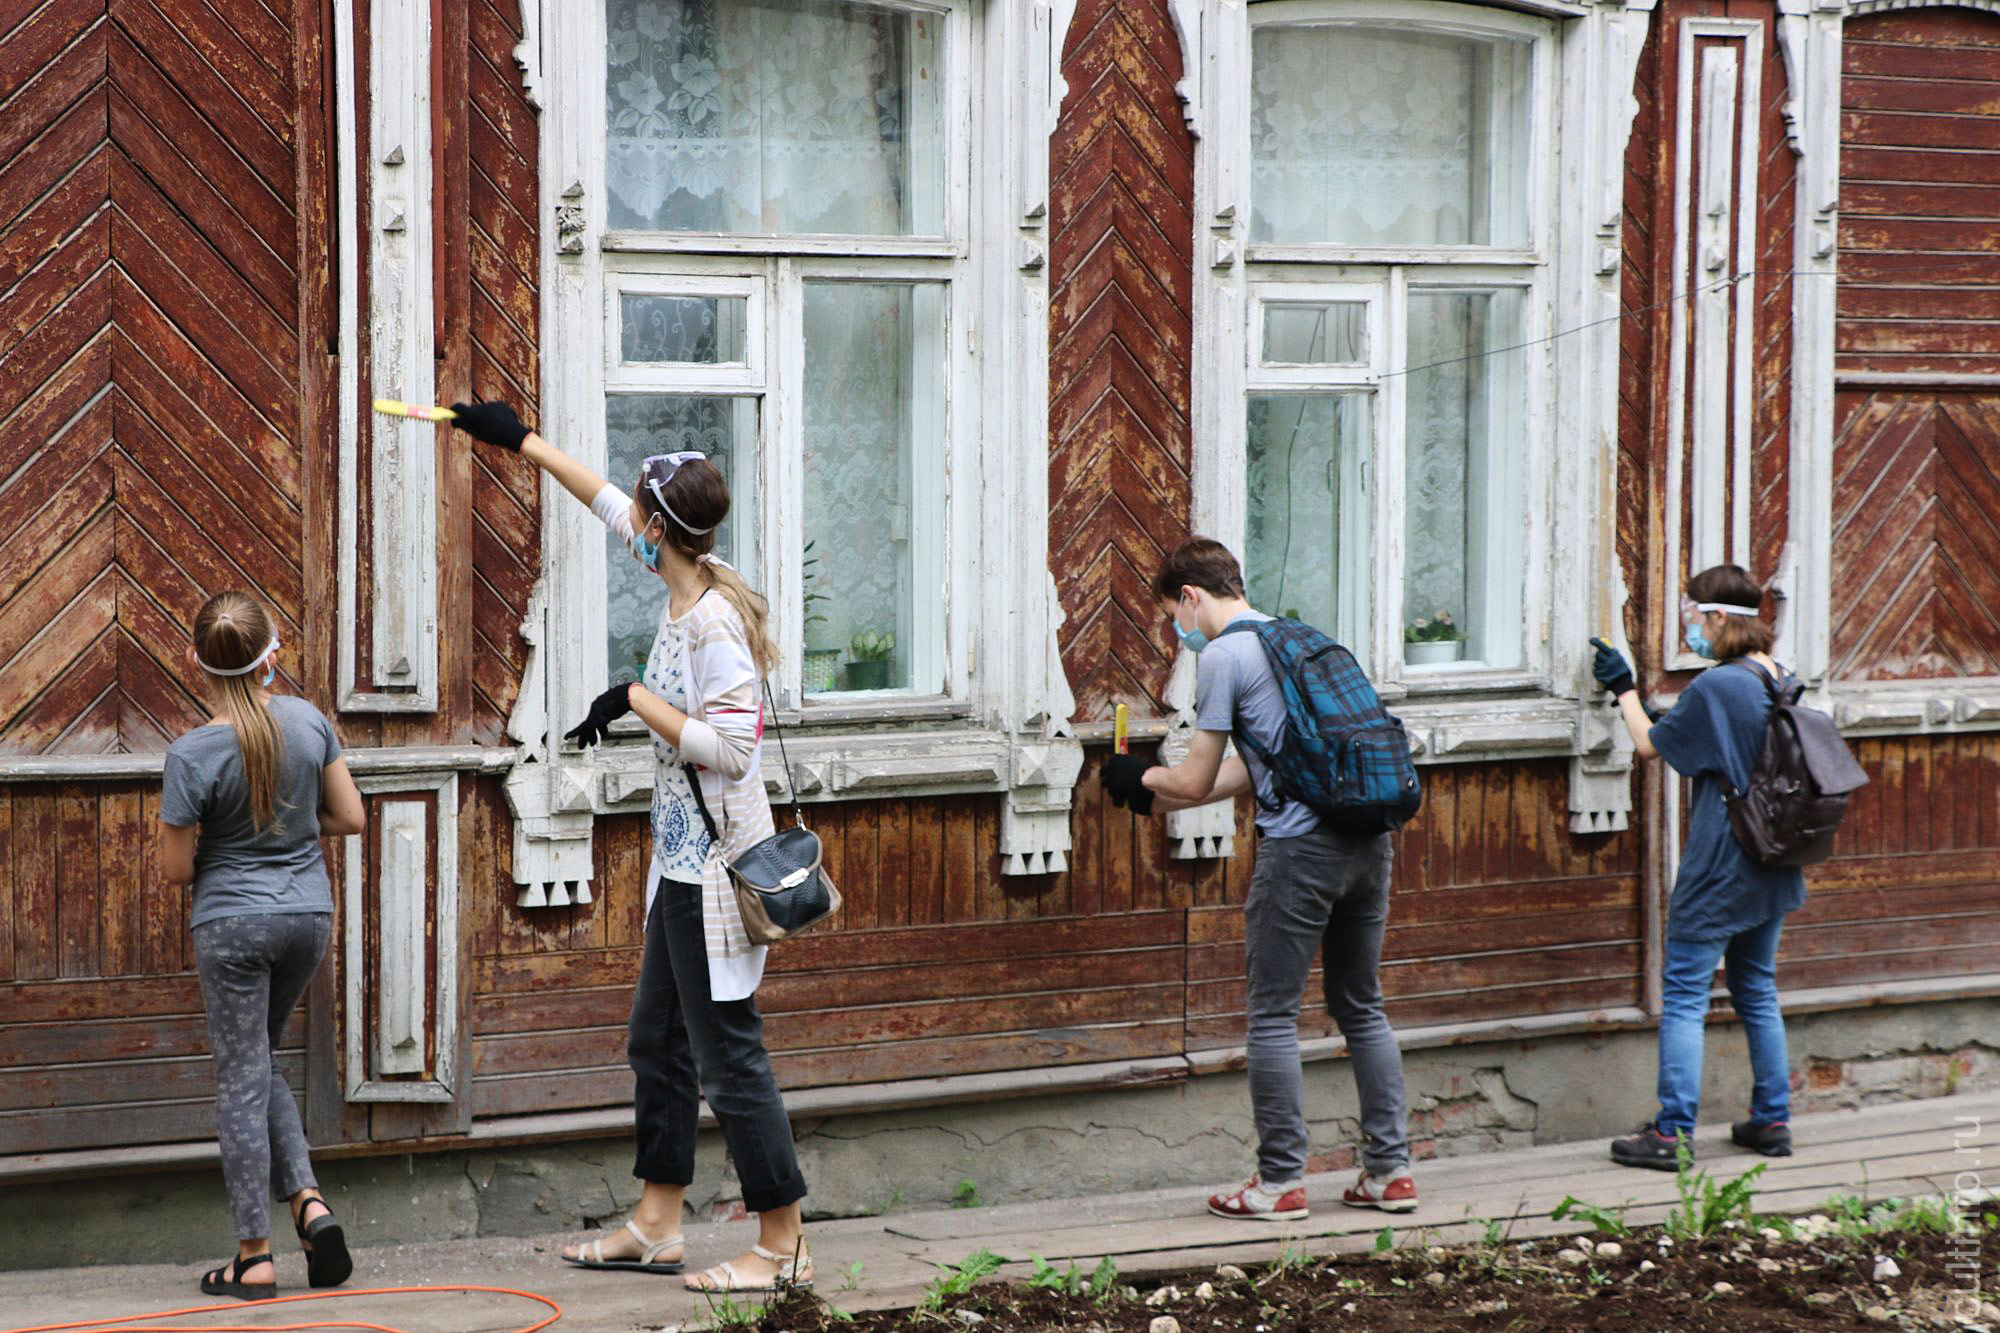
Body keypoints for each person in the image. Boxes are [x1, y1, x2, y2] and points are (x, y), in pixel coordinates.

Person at [450, 400, 811, 1293]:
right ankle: (657, 1223)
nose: (630, 529)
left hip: (715, 872)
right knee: (659, 1040)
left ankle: (783, 1243)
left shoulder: (712, 620)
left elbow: (735, 750)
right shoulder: (689, 573)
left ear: (662, 532)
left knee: (728, 1054)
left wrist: (633, 699)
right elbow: (606, 499)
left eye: (641, 521)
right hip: (678, 863)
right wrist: (519, 441)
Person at [1099, 538, 1417, 1219]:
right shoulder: (1298, 640)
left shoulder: (1225, 655)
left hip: (1300, 855)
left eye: (1173, 617)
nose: (1178, 634)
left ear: (1191, 596)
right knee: (1362, 1005)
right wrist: (1154, 800)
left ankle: (1279, 1183)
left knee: (1272, 1013)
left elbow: (1194, 776)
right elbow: (1256, 768)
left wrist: (1140, 775)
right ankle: (1390, 1174)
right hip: (1369, 843)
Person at [162, 591, 366, 1300]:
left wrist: (229, 839)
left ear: (195, 661)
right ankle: (309, 1204)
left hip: (232, 924)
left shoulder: (191, 754)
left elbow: (177, 869)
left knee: (241, 1077)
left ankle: (254, 1257)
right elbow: (351, 816)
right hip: (307, 917)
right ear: (269, 655)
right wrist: (289, 826)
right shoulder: (309, 722)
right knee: (260, 1062)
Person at [1592, 564, 1805, 1169]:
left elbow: (1649, 745)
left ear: (1715, 617)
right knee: (1756, 987)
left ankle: (1672, 1134)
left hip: (1723, 860)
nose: (1690, 628)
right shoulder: (1780, 677)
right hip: (1775, 854)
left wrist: (1623, 688)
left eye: (1692, 616)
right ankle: (1772, 1121)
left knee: (1685, 993)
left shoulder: (1718, 686)